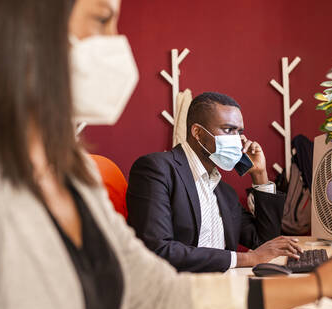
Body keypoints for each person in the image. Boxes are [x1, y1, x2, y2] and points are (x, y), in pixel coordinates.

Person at [0, 0, 332, 309]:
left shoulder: (71, 178)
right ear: (22, 27)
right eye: (102, 20)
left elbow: (160, 296)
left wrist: (323, 282)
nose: (116, 45)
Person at [127, 92, 301, 272]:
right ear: (198, 132)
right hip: (179, 289)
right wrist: (248, 258)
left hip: (226, 285)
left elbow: (265, 243)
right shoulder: (156, 169)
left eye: (239, 132)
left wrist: (260, 175)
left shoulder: (224, 192)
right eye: (228, 130)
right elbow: (158, 250)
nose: (238, 140)